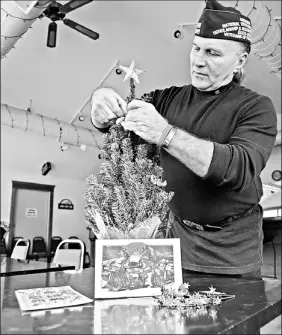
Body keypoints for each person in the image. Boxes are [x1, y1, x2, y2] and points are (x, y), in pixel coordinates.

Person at [90, 0, 278, 278]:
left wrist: (166, 135)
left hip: (234, 247)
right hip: (176, 240)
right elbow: (117, 125)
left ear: (239, 61)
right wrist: (100, 105)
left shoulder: (256, 108)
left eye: (213, 52)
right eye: (196, 48)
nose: (199, 60)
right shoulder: (165, 100)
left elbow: (238, 170)